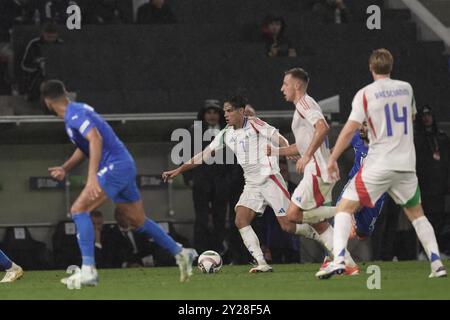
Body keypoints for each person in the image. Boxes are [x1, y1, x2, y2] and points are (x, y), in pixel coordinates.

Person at [41, 79, 197, 285]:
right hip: (123, 165)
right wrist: (65, 168)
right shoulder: (76, 112)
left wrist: (91, 178)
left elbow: (95, 139)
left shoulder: (74, 114)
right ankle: (181, 252)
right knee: (138, 221)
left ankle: (88, 270)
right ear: (66, 93)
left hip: (115, 167)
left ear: (47, 102)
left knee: (79, 210)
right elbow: (86, 144)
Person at [163, 95, 329, 273]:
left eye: (229, 111)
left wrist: (286, 151)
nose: (225, 114)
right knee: (240, 219)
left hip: (269, 179)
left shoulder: (256, 123)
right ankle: (261, 263)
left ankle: (324, 238)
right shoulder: (226, 133)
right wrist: (179, 170)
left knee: (288, 225)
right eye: (224, 111)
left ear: (240, 111)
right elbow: (203, 155)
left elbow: (279, 138)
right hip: (252, 185)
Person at [319, 48, 447, 279]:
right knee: (417, 215)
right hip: (406, 165)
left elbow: (349, 130)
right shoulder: (407, 89)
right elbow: (411, 119)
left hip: (379, 163)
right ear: (391, 66)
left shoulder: (365, 94)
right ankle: (437, 264)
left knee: (344, 209)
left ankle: (339, 260)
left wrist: (332, 158)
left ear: (371, 68)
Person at [269, 67, 358, 275]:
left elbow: (323, 127)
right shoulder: (301, 106)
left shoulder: (304, 103)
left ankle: (344, 211)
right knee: (318, 223)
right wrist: (275, 151)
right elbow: (301, 146)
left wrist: (307, 155)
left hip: (317, 170)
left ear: (297, 85)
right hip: (318, 169)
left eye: (285, 84)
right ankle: (350, 265)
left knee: (292, 214)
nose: (282, 88)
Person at [182, 99, 229, 254]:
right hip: (201, 182)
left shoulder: (228, 131)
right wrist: (188, 178)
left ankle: (219, 250)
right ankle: (200, 251)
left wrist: (229, 181)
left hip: (221, 183)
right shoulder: (193, 131)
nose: (212, 115)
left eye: (215, 112)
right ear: (203, 114)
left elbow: (234, 158)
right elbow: (185, 154)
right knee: (201, 219)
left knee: (219, 218)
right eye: (209, 112)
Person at [414, 105, 450, 249]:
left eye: (429, 114)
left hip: (440, 185)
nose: (427, 118)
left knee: (440, 218)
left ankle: (440, 248)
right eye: (424, 115)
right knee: (424, 218)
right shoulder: (418, 139)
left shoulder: (441, 137)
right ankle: (425, 250)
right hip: (424, 185)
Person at [21, 22, 63, 102]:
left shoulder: (61, 45)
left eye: (53, 37)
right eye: (48, 36)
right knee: (46, 87)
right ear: (43, 34)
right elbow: (24, 65)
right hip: (39, 77)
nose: (50, 39)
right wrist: (38, 65)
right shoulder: (34, 45)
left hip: (59, 76)